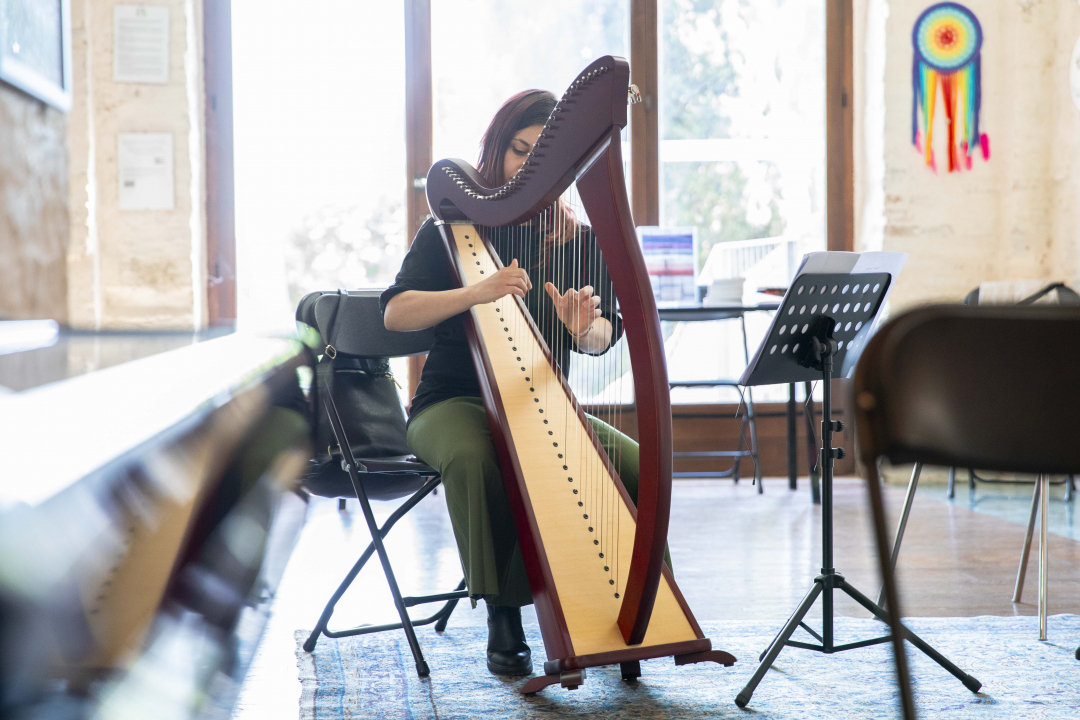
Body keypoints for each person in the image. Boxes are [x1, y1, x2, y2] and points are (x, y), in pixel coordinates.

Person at [380, 89, 648, 677]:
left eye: (540, 158)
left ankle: (635, 615)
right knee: (477, 456)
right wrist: (474, 293)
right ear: (496, 150)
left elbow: (604, 334)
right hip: (450, 402)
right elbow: (395, 314)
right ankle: (503, 613)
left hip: (542, 407)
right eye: (517, 151)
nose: (526, 167)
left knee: (633, 464)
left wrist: (586, 331)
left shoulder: (573, 239)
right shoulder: (450, 228)